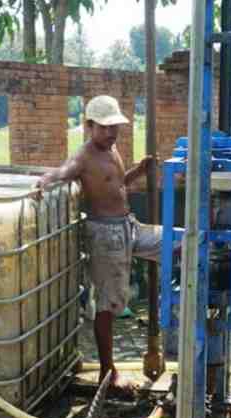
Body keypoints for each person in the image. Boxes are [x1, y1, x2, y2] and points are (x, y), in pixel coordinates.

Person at [36, 95, 171, 392]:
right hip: (105, 235)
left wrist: (139, 170)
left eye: (115, 126)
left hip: (128, 226)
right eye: (105, 127)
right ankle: (107, 372)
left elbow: (117, 184)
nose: (112, 132)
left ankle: (180, 315)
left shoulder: (112, 149)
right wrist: (47, 179)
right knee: (108, 305)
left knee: (179, 241)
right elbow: (65, 170)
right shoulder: (84, 156)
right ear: (89, 126)